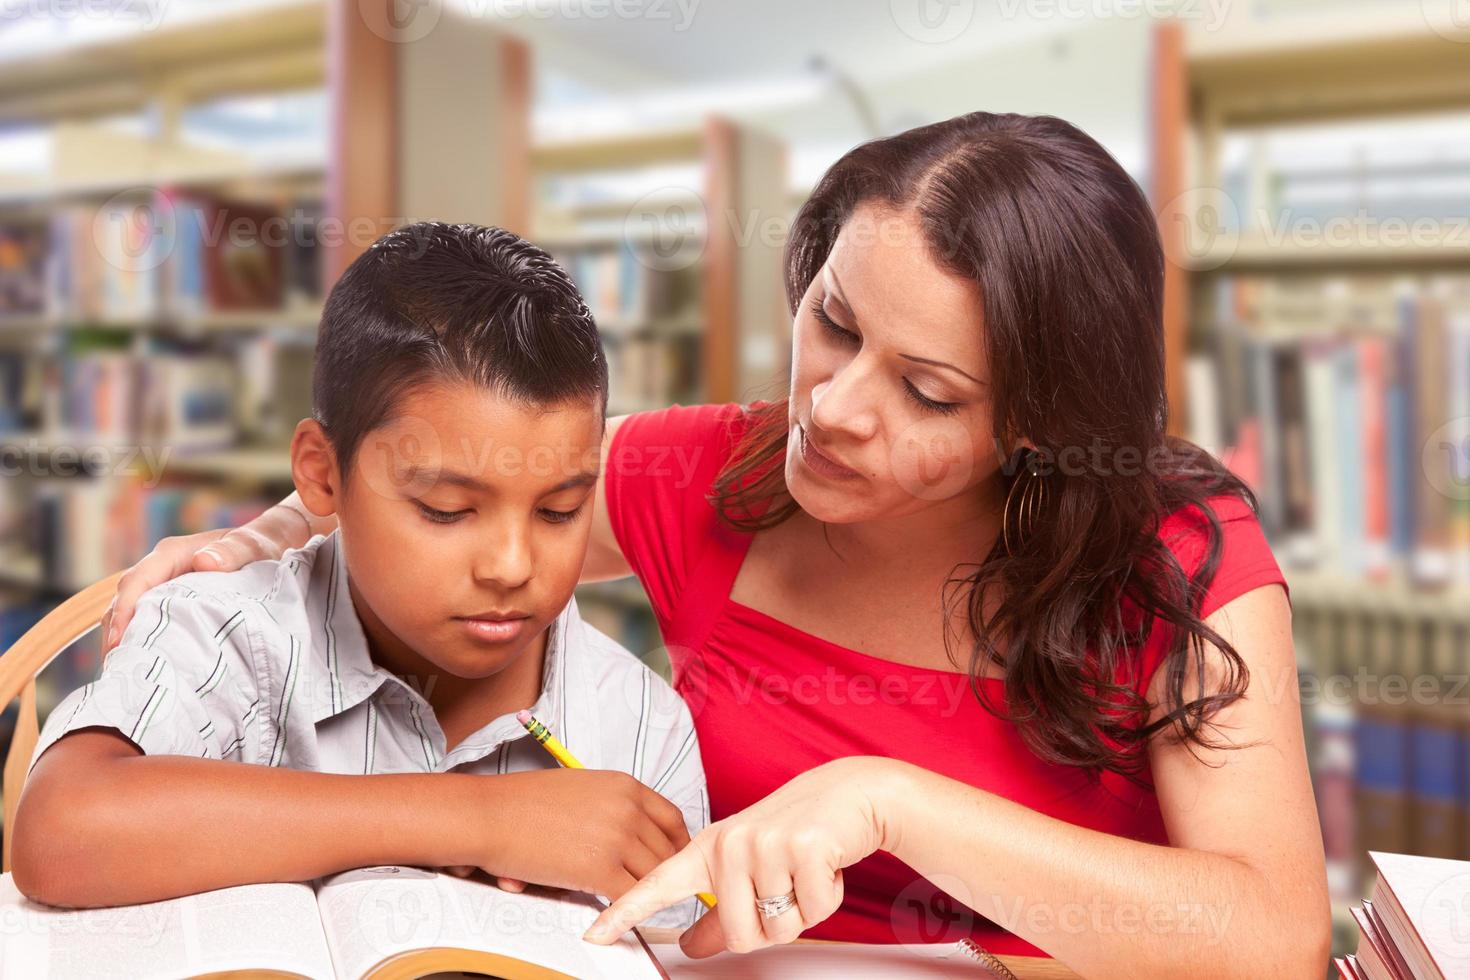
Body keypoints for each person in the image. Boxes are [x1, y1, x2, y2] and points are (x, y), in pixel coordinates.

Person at [102, 114, 1330, 977]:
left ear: (1041, 428)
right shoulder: (721, 471)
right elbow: (451, 484)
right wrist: (262, 534)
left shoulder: (1174, 544)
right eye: (833, 324)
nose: (836, 407)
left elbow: (1274, 934)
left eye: (931, 393)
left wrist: (887, 803)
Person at [13, 223, 705, 931]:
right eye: (446, 510)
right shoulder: (228, 634)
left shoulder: (643, 723)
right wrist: (476, 818)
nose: (512, 567)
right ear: (321, 474)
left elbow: (673, 950)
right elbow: (61, 831)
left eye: (560, 512)